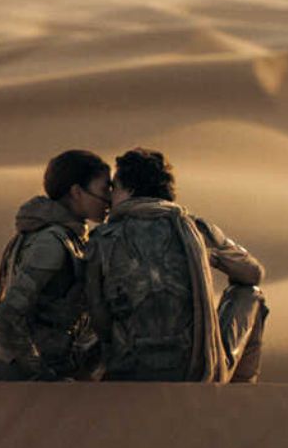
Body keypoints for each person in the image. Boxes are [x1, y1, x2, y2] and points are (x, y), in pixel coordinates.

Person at [85, 148, 268, 383]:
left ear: (129, 189)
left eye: (115, 187)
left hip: (127, 370)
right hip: (195, 372)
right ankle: (238, 395)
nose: (110, 198)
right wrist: (208, 257)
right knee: (249, 294)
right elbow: (253, 273)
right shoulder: (193, 228)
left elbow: (98, 315)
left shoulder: (102, 238)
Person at [0, 149, 111, 382]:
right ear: (76, 192)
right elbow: (8, 315)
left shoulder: (63, 235)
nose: (109, 198)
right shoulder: (52, 242)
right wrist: (40, 374)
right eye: (104, 189)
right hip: (25, 377)